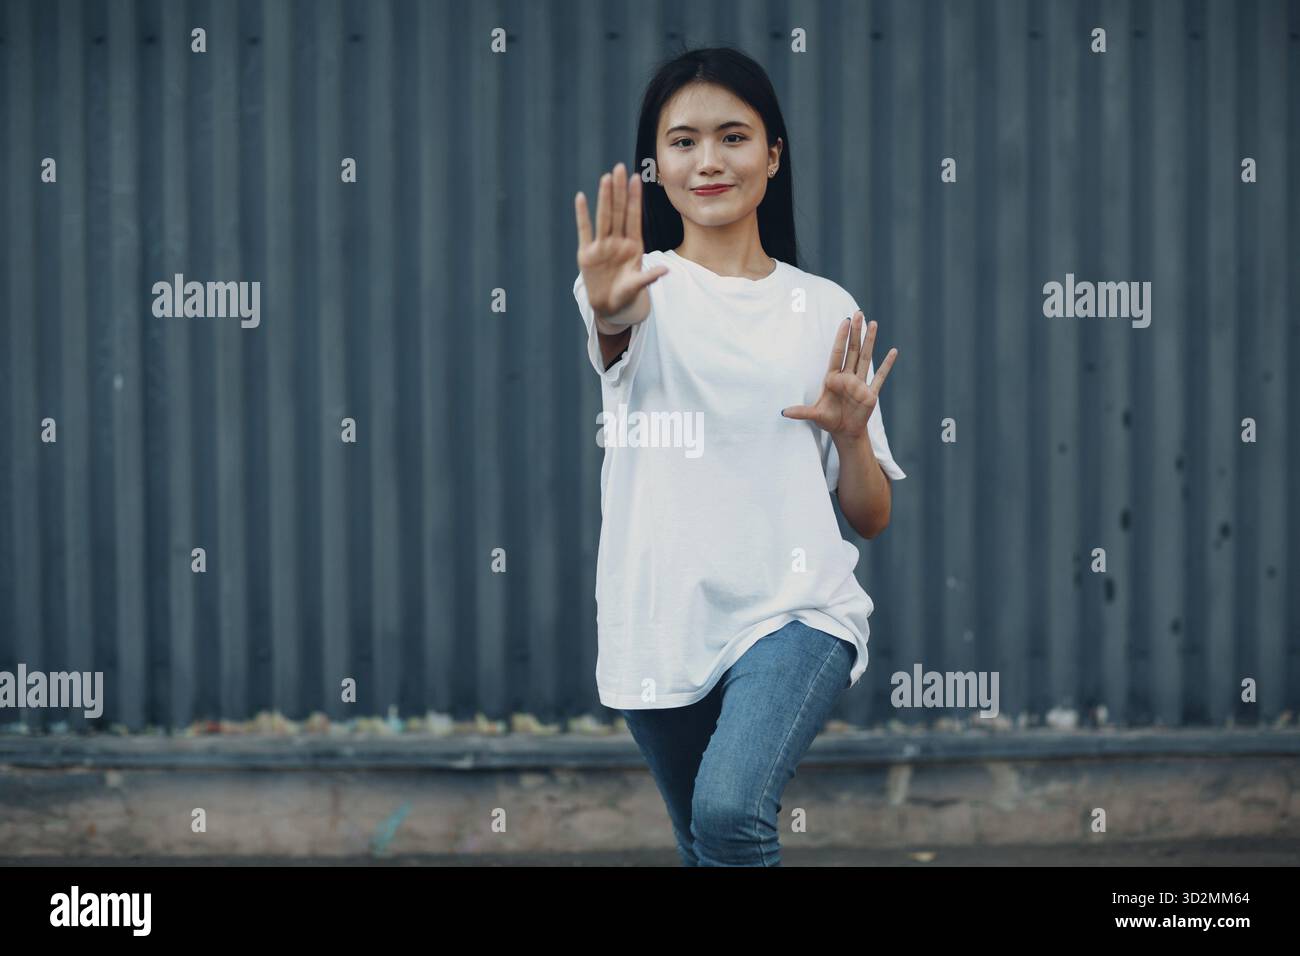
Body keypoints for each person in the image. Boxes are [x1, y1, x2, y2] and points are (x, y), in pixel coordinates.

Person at [571, 46, 906, 867]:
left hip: (796, 612)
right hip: (661, 621)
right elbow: (612, 325)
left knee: (728, 817)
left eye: (733, 136)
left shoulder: (825, 307)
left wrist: (852, 436)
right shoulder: (635, 289)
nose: (709, 161)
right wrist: (608, 303)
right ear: (656, 164)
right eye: (683, 142)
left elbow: (869, 517)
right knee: (703, 844)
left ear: (773, 154)